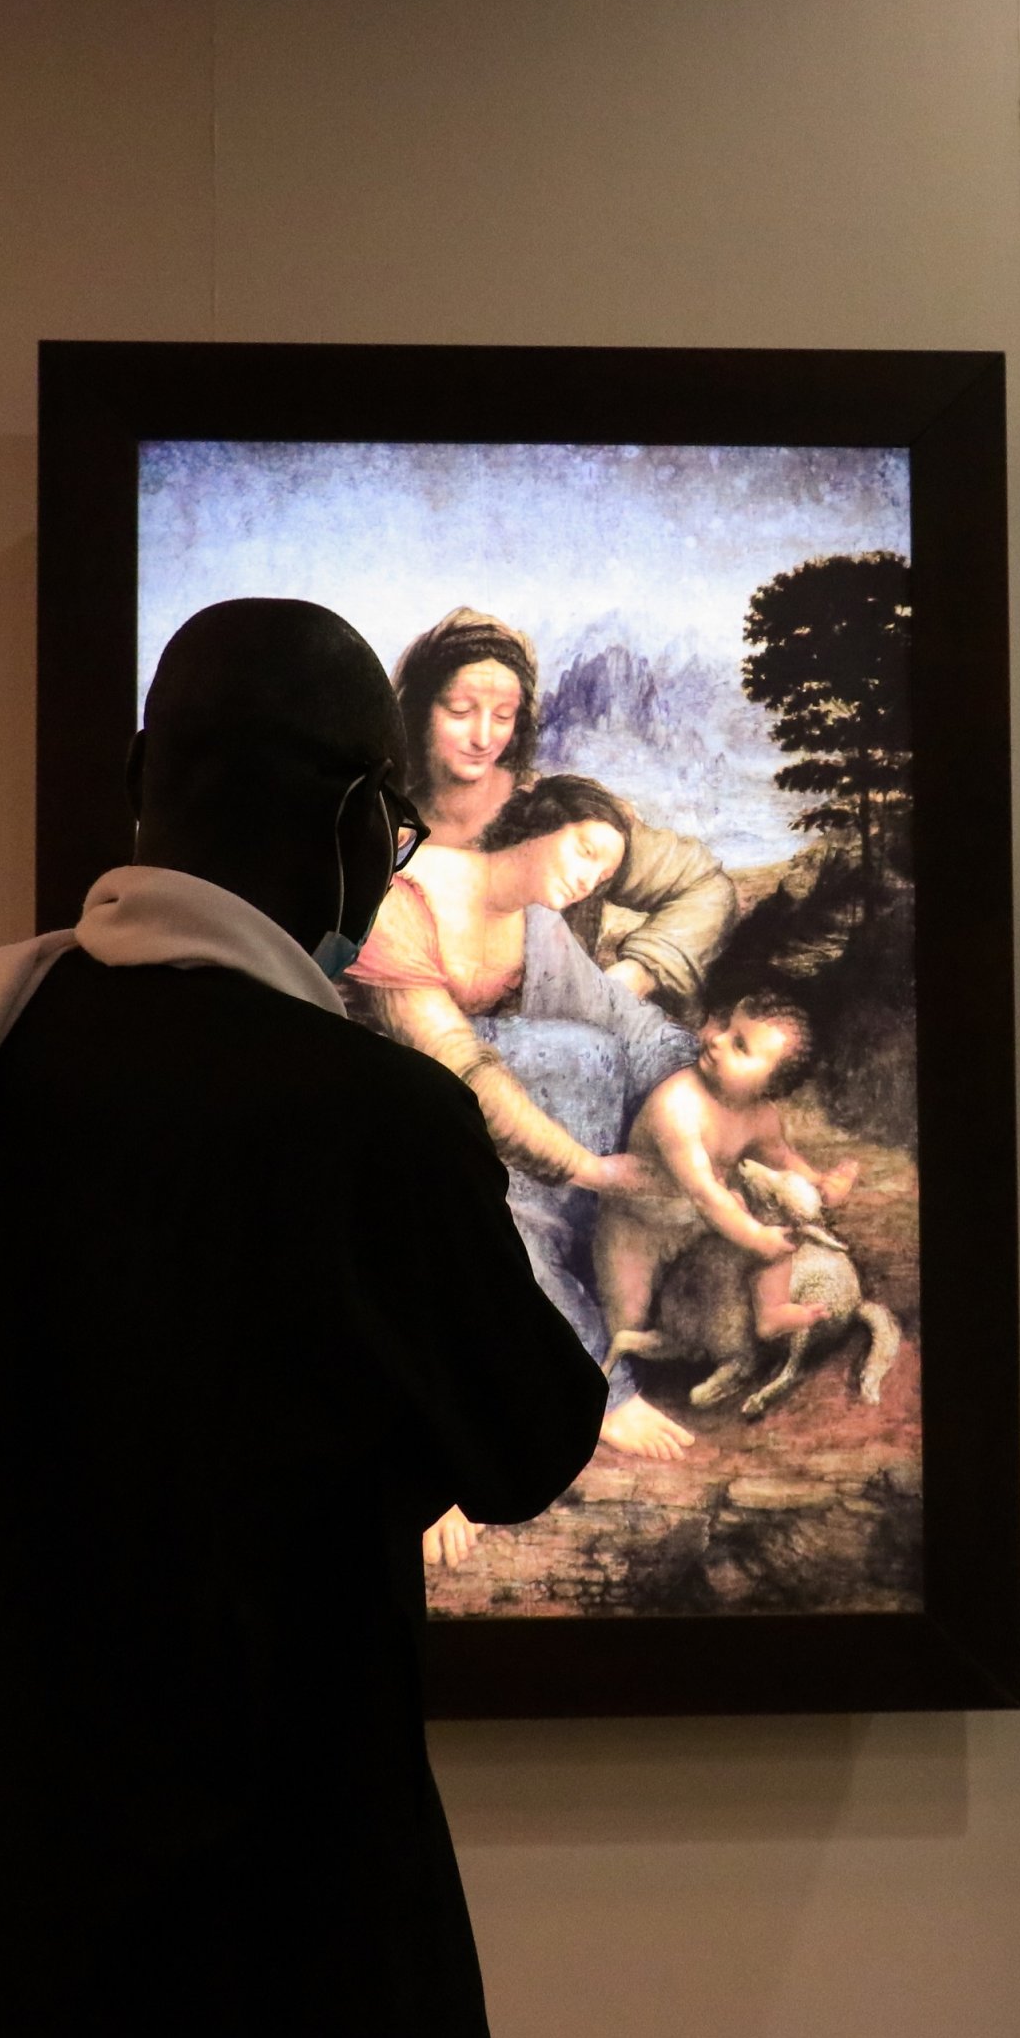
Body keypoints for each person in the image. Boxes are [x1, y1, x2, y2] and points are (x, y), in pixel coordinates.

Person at [0, 598, 606, 2038]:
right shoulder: (367, 1112)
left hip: (19, 1841)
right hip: (285, 1863)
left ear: (148, 772)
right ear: (357, 818)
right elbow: (527, 1437)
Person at [345, 774, 713, 1486]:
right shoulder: (401, 890)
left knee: (592, 1052)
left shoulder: (537, 924)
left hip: (474, 1127)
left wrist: (688, 1091)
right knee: (499, 1188)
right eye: (582, 850)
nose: (587, 878)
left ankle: (575, 1319)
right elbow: (458, 1066)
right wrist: (587, 1166)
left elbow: (623, 1020)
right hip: (384, 1119)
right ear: (540, 823)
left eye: (604, 872)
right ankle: (586, 1377)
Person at [393, 606, 738, 1012]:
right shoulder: (382, 818)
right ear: (419, 713)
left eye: (503, 716)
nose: (483, 737)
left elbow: (706, 887)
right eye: (460, 711)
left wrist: (634, 974)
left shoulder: (564, 816)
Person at [594, 990, 858, 1369]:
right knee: (628, 1320)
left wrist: (819, 1183)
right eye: (725, 1026)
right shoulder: (678, 1104)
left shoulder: (760, 1116)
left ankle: (771, 1312)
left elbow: (781, 1159)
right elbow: (703, 1193)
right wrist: (753, 1237)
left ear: (768, 1086)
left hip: (705, 1223)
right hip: (639, 1225)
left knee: (777, 1237)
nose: (716, 1040)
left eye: (739, 1045)